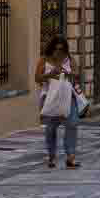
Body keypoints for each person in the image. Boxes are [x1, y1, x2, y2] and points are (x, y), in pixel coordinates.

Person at [35, 37, 79, 169]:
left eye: (61, 49)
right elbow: (37, 78)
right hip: (50, 98)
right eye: (56, 48)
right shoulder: (44, 60)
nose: (58, 52)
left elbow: (77, 75)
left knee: (72, 124)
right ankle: (51, 156)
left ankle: (70, 157)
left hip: (67, 97)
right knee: (50, 129)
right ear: (51, 48)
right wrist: (50, 75)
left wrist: (68, 73)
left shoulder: (69, 59)